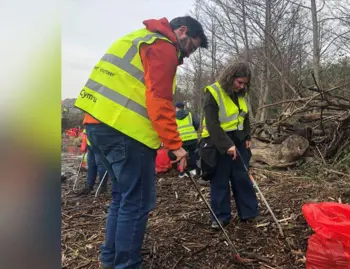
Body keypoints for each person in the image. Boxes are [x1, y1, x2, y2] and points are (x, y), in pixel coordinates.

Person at [74, 16, 207, 269]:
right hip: (126, 133)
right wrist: (174, 145)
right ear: (181, 31)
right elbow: (159, 100)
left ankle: (110, 259)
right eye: (190, 47)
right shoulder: (163, 46)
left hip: (97, 126)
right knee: (137, 203)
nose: (188, 54)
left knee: (121, 197)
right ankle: (126, 264)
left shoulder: (137, 39)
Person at [200, 61, 259, 229]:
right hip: (217, 142)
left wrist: (247, 135)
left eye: (245, 84)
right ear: (230, 77)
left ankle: (249, 213)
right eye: (239, 82)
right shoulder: (213, 92)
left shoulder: (242, 94)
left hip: (239, 140)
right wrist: (227, 145)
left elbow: (245, 116)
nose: (241, 86)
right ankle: (220, 218)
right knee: (220, 180)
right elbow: (212, 124)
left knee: (242, 178)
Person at [77, 129, 109, 195]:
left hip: (99, 140)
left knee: (100, 164)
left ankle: (102, 187)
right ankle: (89, 186)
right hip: (90, 141)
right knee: (91, 164)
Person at [175, 101, 200, 177]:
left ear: (176, 108)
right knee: (193, 154)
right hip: (192, 138)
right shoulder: (189, 114)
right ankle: (193, 171)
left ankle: (182, 171)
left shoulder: (173, 116)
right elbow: (196, 123)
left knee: (182, 155)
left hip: (181, 139)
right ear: (183, 107)